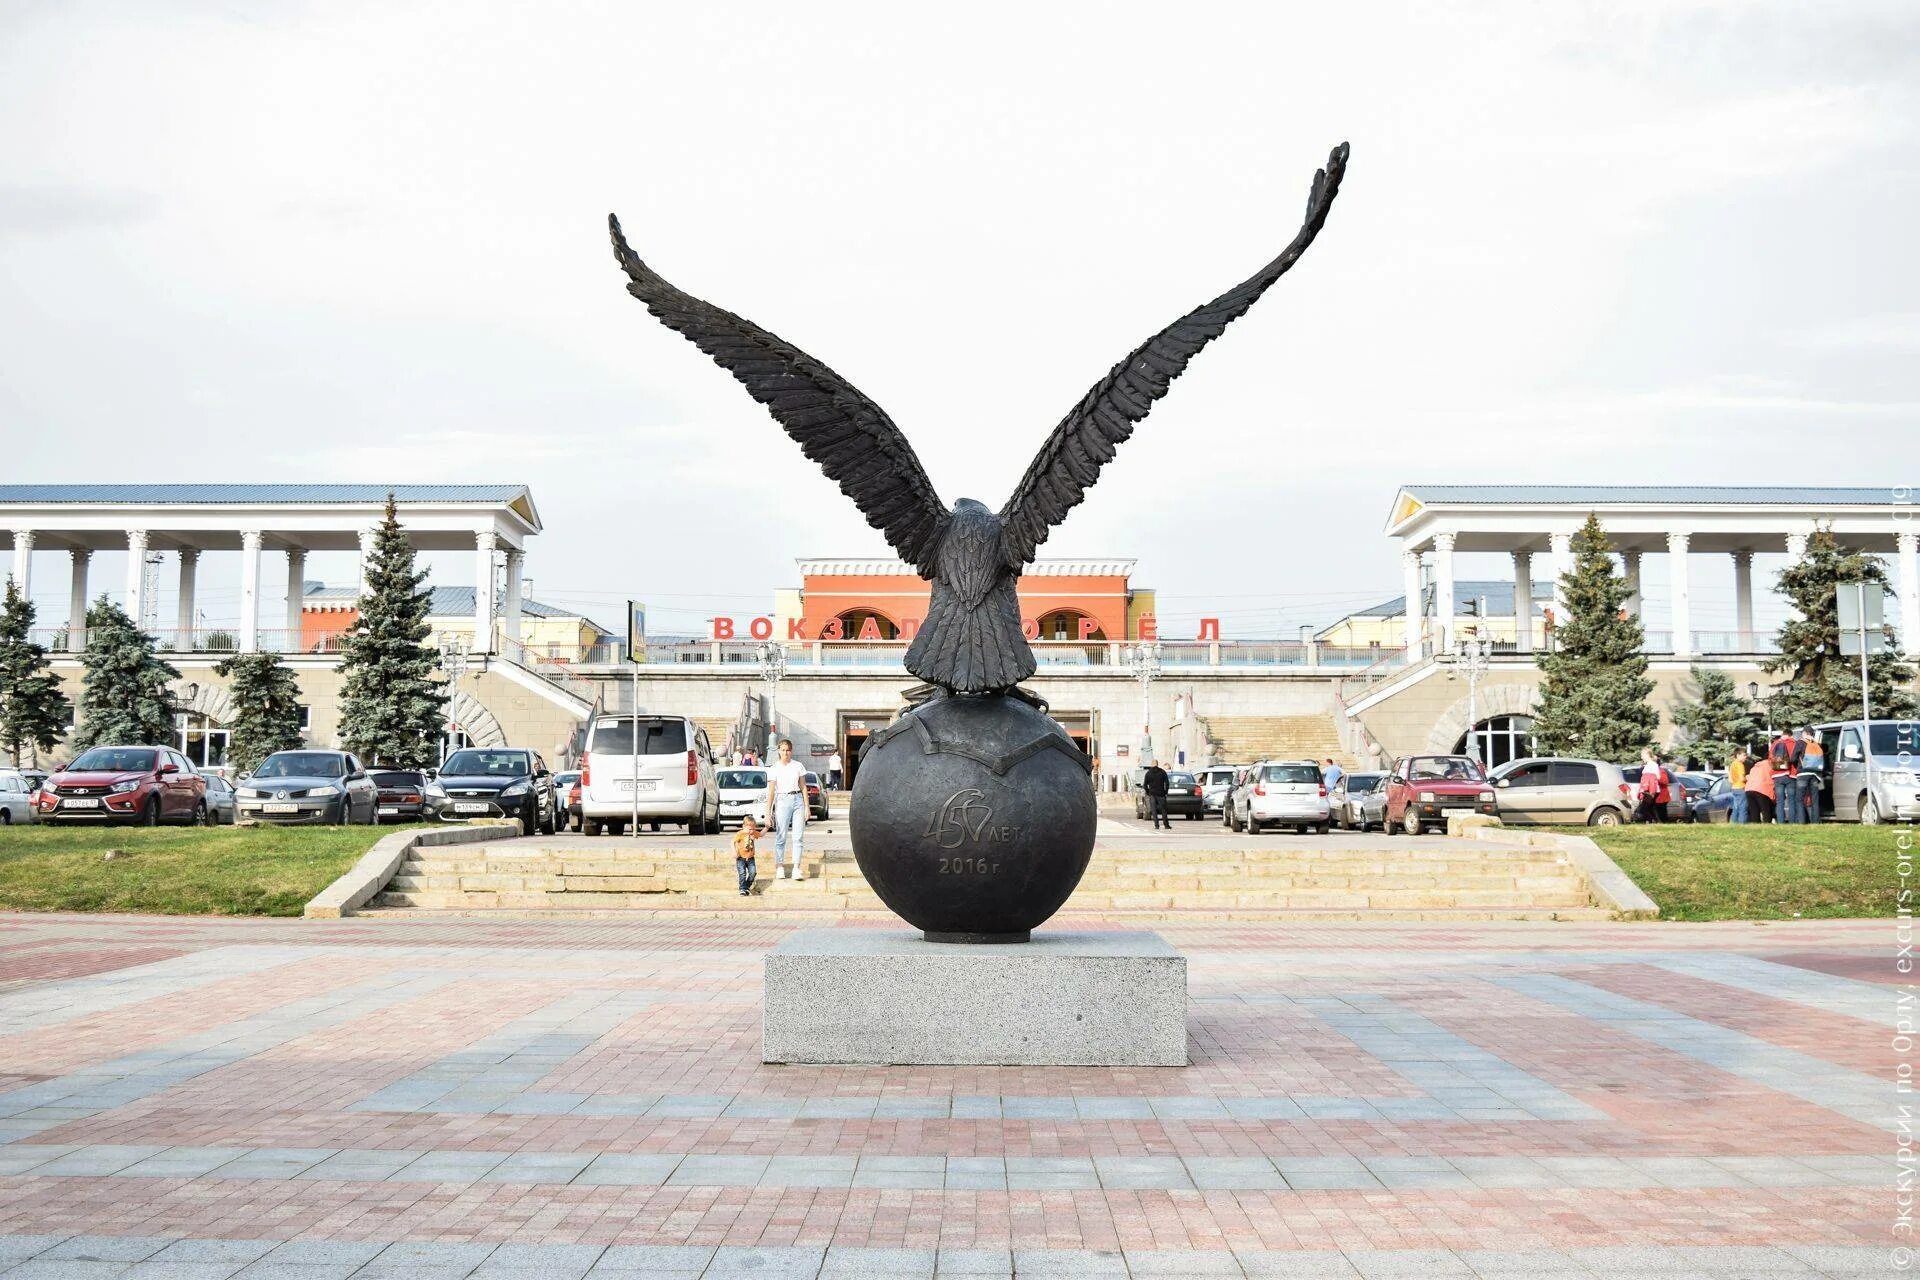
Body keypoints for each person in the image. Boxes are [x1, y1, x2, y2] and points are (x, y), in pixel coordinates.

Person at [764, 738, 809, 880]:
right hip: (782, 799)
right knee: (781, 835)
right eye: (783, 750)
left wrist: (807, 807)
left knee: (798, 836)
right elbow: (771, 791)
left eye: (788, 750)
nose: (785, 753)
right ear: (778, 751)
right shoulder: (774, 768)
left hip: (797, 800)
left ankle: (796, 867)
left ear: (791, 751)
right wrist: (768, 812)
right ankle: (780, 866)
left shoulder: (798, 766)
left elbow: (803, 787)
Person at [1769, 729, 1803, 824]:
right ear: (1791, 735)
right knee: (1792, 800)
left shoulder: (1775, 743)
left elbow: (1770, 758)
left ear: (1783, 734)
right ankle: (1792, 822)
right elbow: (1798, 758)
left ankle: (1780, 822)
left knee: (1780, 801)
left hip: (1777, 774)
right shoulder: (1794, 743)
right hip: (1791, 775)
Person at [1799, 728, 1825, 824]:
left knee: (1800, 799)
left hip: (1803, 773)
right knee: (1815, 799)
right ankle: (1816, 821)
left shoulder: (1801, 743)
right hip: (1815, 774)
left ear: (1805, 733)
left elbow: (1793, 757)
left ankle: (1801, 822)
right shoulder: (1816, 743)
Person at [1635, 748, 1668, 824]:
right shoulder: (1649, 765)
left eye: (1642, 755)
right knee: (1651, 808)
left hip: (1651, 790)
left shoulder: (1652, 765)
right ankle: (1655, 822)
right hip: (1650, 790)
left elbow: (1657, 777)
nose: (1641, 757)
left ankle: (1655, 821)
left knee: (1644, 809)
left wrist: (1648, 787)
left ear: (1647, 755)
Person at [733, 815, 761, 896]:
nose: (751, 831)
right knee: (742, 873)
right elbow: (732, 842)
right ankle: (742, 888)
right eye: (749, 829)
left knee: (753, 873)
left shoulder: (753, 833)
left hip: (750, 858)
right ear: (743, 827)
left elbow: (761, 834)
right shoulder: (740, 833)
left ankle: (747, 887)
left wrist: (766, 828)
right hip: (740, 858)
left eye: (753, 829)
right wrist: (734, 851)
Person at [1745, 752, 1776, 825]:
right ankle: (1767, 826)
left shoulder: (1756, 766)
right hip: (1762, 789)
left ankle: (1756, 828)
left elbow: (1749, 776)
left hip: (1749, 789)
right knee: (1766, 810)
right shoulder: (1770, 765)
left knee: (1754, 811)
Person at [1142, 758, 1171, 830]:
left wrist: (1148, 792)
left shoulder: (1148, 773)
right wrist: (1166, 791)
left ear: (1151, 765)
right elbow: (1167, 783)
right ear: (1157, 764)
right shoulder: (1162, 772)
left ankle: (1156, 825)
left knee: (1154, 810)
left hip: (1152, 794)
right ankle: (1166, 825)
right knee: (1163, 810)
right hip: (1161, 794)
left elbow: (1144, 785)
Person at [1726, 747, 1749, 825]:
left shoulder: (1733, 764)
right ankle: (1742, 825)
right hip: (1741, 788)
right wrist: (1748, 778)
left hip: (1734, 788)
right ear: (1738, 755)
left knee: (1735, 808)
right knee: (1743, 808)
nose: (1745, 757)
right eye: (1744, 755)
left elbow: (1730, 780)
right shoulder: (1740, 764)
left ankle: (1733, 824)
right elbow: (1742, 778)